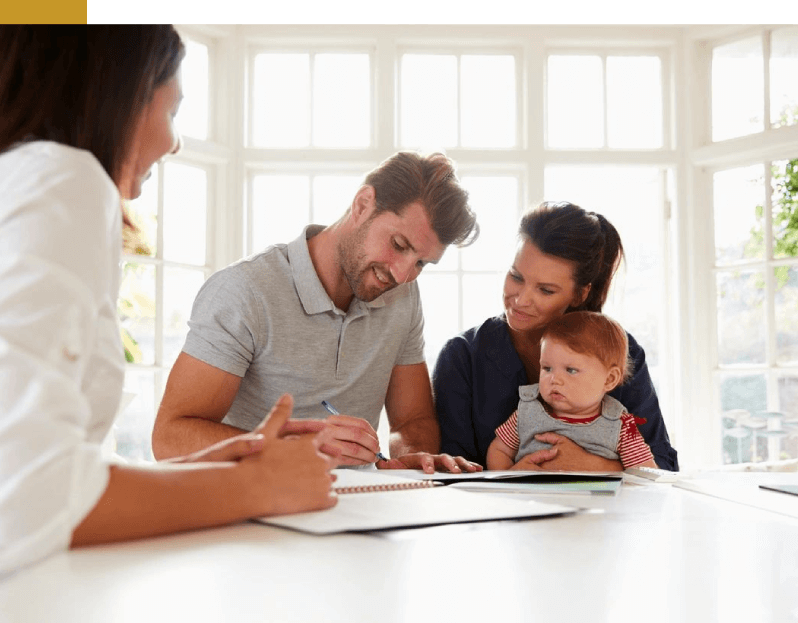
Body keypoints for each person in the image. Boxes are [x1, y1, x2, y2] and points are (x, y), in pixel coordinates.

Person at [0, 25, 336, 623]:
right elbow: (26, 505)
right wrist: (254, 486)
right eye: (172, 109)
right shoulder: (62, 179)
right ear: (119, 90)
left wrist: (205, 467)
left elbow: (3, 463)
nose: (175, 143)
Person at [152, 151, 484, 475]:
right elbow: (169, 437)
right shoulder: (244, 290)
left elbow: (412, 421)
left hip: (354, 510)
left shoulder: (403, 297)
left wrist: (409, 457)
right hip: (250, 507)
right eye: (398, 245)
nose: (401, 275)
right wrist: (293, 448)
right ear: (362, 204)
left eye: (421, 263)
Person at [433, 201, 679, 471]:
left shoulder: (620, 352)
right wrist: (511, 479)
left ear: (580, 294)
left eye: (546, 290)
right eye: (516, 276)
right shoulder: (462, 356)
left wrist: (593, 465)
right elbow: (452, 473)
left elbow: (661, 469)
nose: (521, 300)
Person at [486, 312, 659, 471]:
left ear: (609, 379)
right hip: (532, 501)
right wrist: (509, 476)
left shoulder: (621, 425)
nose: (555, 379)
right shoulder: (527, 412)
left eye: (571, 370)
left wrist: (595, 466)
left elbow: (645, 475)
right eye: (547, 368)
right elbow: (499, 450)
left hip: (596, 504)